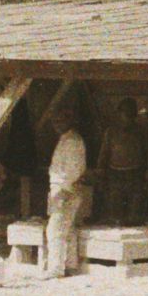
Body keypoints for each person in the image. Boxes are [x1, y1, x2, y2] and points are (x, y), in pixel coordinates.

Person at [43, 107, 88, 279]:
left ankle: (56, 268)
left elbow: (73, 170)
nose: (56, 125)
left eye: (60, 121)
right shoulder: (67, 139)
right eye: (55, 122)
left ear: (69, 121)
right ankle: (70, 265)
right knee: (67, 229)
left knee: (55, 228)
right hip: (63, 187)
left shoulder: (72, 141)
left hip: (64, 189)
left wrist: (63, 190)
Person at [95, 99, 148, 225]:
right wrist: (100, 170)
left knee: (135, 209)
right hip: (115, 174)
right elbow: (104, 152)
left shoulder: (141, 131)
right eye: (125, 113)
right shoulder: (111, 132)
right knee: (115, 207)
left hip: (135, 173)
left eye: (131, 113)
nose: (128, 116)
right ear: (119, 113)